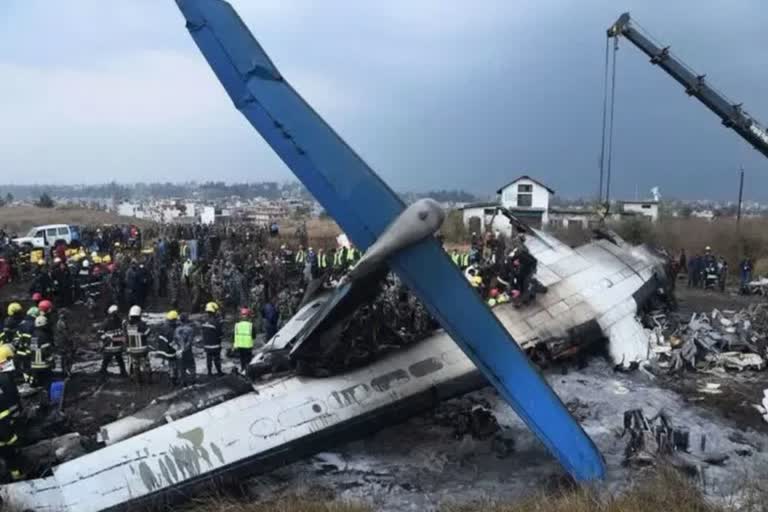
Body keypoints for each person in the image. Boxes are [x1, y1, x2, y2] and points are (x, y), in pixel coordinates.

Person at [0, 344, 23, 482]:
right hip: (4, 424)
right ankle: (15, 475)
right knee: (11, 447)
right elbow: (11, 402)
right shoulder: (4, 379)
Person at [99, 305, 127, 381]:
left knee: (106, 360)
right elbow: (125, 334)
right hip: (117, 347)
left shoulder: (105, 322)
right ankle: (123, 372)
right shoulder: (121, 322)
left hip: (109, 348)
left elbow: (100, 334)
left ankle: (102, 371)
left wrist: (104, 342)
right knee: (119, 360)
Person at [124, 305, 151, 383]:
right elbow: (148, 332)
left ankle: (138, 381)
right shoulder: (141, 324)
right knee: (146, 364)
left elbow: (126, 336)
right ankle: (149, 380)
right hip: (143, 349)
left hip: (133, 350)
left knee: (135, 365)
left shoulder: (127, 325)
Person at [29, 315, 54, 396]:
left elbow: (32, 350)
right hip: (44, 365)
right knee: (47, 384)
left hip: (34, 365)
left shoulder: (33, 335)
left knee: (39, 385)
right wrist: (52, 361)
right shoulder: (45, 335)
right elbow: (46, 351)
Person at [173, 313, 195, 386]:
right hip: (187, 350)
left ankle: (183, 382)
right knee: (191, 366)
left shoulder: (176, 329)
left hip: (179, 350)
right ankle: (192, 381)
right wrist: (185, 348)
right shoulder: (190, 329)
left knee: (181, 367)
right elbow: (190, 341)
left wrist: (179, 349)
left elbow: (175, 340)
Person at [201, 302, 223, 376]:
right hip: (215, 344)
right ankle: (219, 372)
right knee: (217, 359)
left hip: (207, 345)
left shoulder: (204, 321)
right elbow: (220, 334)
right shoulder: (216, 322)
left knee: (209, 359)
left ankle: (209, 373)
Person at [233, 308, 255, 373]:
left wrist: (235, 345)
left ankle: (243, 370)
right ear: (248, 316)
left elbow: (234, 336)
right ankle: (248, 373)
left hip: (240, 345)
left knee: (242, 360)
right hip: (248, 345)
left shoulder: (237, 325)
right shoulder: (251, 325)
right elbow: (254, 336)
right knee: (248, 361)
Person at [55, 309, 74, 377]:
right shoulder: (61, 322)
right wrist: (70, 339)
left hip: (62, 341)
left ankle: (65, 371)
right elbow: (65, 332)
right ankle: (66, 371)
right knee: (67, 356)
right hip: (64, 341)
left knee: (64, 356)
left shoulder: (61, 322)